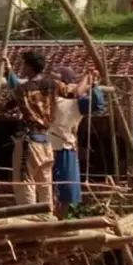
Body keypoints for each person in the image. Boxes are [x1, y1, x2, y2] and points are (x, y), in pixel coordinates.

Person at [0, 51, 77, 210]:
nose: (23, 68)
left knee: (25, 183)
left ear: (29, 67)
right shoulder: (52, 85)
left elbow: (2, 107)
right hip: (46, 143)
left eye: (25, 65)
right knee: (45, 185)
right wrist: (88, 79)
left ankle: (28, 218)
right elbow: (75, 92)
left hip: (30, 143)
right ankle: (47, 219)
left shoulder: (22, 90)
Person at [48, 66, 104, 213]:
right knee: (45, 187)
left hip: (64, 147)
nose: (52, 83)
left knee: (66, 189)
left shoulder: (77, 103)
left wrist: (93, 84)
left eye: (56, 80)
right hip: (44, 147)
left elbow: (97, 104)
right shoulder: (45, 98)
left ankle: (64, 218)